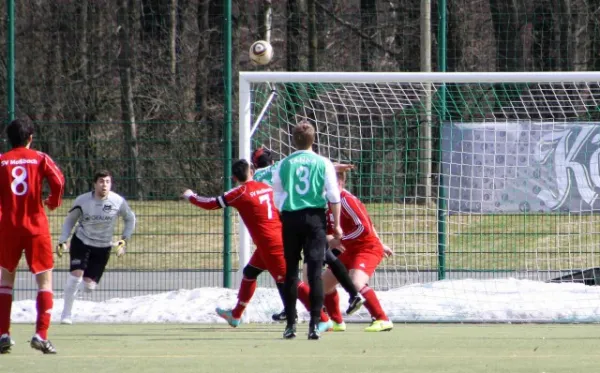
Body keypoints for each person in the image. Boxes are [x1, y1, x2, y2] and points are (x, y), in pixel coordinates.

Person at [181, 159, 333, 333]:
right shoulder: (266, 187)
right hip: (274, 240)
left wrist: (190, 196)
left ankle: (323, 318)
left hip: (271, 245)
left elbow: (211, 203)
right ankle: (236, 315)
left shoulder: (240, 192)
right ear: (251, 172)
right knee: (249, 273)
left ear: (234, 177)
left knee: (292, 282)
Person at [251, 147, 364, 323]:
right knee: (320, 260)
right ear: (271, 160)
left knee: (285, 270)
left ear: (254, 165)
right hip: (308, 218)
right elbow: (308, 167)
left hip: (281, 223)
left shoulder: (257, 177)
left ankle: (295, 312)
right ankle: (352, 294)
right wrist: (334, 166)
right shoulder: (282, 165)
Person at [272, 119, 342, 340]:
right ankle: (314, 324)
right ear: (314, 139)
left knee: (291, 272)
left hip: (291, 219)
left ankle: (291, 324)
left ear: (293, 140)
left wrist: (287, 212)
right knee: (314, 274)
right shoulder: (323, 162)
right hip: (315, 219)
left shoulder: (284, 163)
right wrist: (337, 225)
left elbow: (277, 195)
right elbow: (333, 195)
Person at [0, 117, 65, 354]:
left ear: (9, 139)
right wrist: (53, 201)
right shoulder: (40, 158)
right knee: (45, 281)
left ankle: (3, 334)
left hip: (8, 227)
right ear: (30, 138)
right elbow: (58, 180)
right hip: (35, 227)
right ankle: (41, 335)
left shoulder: (2, 161)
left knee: (6, 281)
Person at [57, 170, 136, 325]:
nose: (104, 185)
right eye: (101, 181)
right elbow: (70, 221)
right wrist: (62, 240)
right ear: (94, 184)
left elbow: (130, 219)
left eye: (107, 181)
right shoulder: (82, 200)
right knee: (75, 277)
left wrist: (124, 240)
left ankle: (71, 291)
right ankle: (66, 314)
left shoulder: (117, 201)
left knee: (88, 287)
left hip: (103, 246)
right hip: (81, 241)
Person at [322, 169, 394, 332]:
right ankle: (336, 321)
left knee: (355, 283)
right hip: (349, 249)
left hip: (367, 248)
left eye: (327, 183)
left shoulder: (347, 200)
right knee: (324, 284)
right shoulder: (326, 203)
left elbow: (363, 227)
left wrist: (339, 240)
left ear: (339, 183)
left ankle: (382, 319)